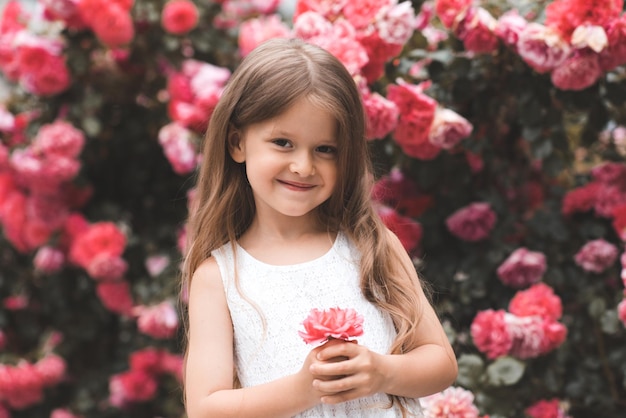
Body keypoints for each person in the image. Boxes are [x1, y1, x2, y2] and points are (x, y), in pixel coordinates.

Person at [181, 37, 458, 418]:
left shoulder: (372, 245)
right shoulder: (220, 277)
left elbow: (440, 363)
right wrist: (303, 389)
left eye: (325, 149)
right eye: (283, 143)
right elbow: (205, 408)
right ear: (237, 143)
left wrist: (382, 372)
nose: (304, 167)